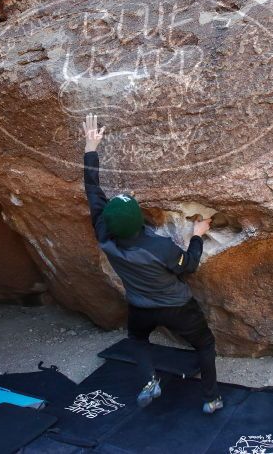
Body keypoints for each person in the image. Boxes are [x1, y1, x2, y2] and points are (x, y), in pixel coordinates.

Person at [81, 113, 223, 414]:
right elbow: (188, 266)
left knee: (137, 338)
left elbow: (93, 191)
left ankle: (149, 381)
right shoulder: (159, 247)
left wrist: (90, 148)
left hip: (140, 306)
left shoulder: (104, 234)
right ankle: (211, 398)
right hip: (177, 307)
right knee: (204, 345)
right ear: (140, 222)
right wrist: (197, 236)